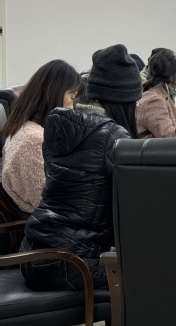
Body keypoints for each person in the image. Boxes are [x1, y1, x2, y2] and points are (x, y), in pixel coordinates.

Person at [20, 44, 142, 290]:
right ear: (124, 101)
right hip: (70, 264)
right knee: (153, 275)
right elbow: (131, 210)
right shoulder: (114, 136)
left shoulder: (58, 124)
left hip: (32, 253)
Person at [2, 60, 81, 213]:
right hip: (49, 219)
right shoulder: (34, 140)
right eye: (72, 98)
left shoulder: (25, 129)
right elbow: (47, 199)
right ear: (55, 94)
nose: (72, 108)